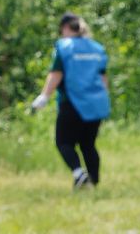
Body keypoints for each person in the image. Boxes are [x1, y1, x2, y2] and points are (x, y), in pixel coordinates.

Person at [30, 13, 111, 190]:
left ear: (66, 28)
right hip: (96, 104)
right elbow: (103, 78)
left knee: (63, 142)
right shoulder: (97, 48)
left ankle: (79, 174)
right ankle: (93, 182)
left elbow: (56, 74)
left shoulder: (64, 47)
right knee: (88, 144)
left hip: (72, 103)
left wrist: (44, 96)